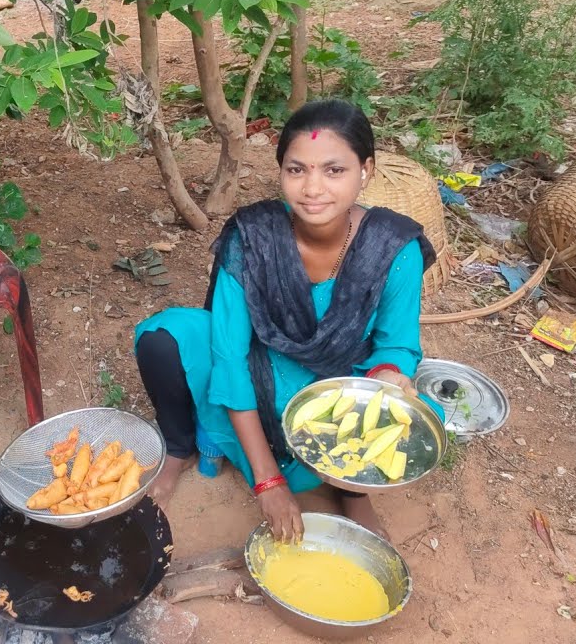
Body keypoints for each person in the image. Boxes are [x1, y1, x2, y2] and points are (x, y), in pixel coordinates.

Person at [133, 99, 434, 542]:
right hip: (257, 366)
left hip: (339, 380)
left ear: (365, 171)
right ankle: (179, 447)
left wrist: (387, 376)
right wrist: (268, 482)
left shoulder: (393, 246)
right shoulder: (253, 238)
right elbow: (231, 356)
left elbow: (397, 344)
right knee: (163, 338)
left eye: (334, 171)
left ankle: (350, 491)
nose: (313, 188)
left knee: (397, 404)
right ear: (280, 171)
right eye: (297, 170)